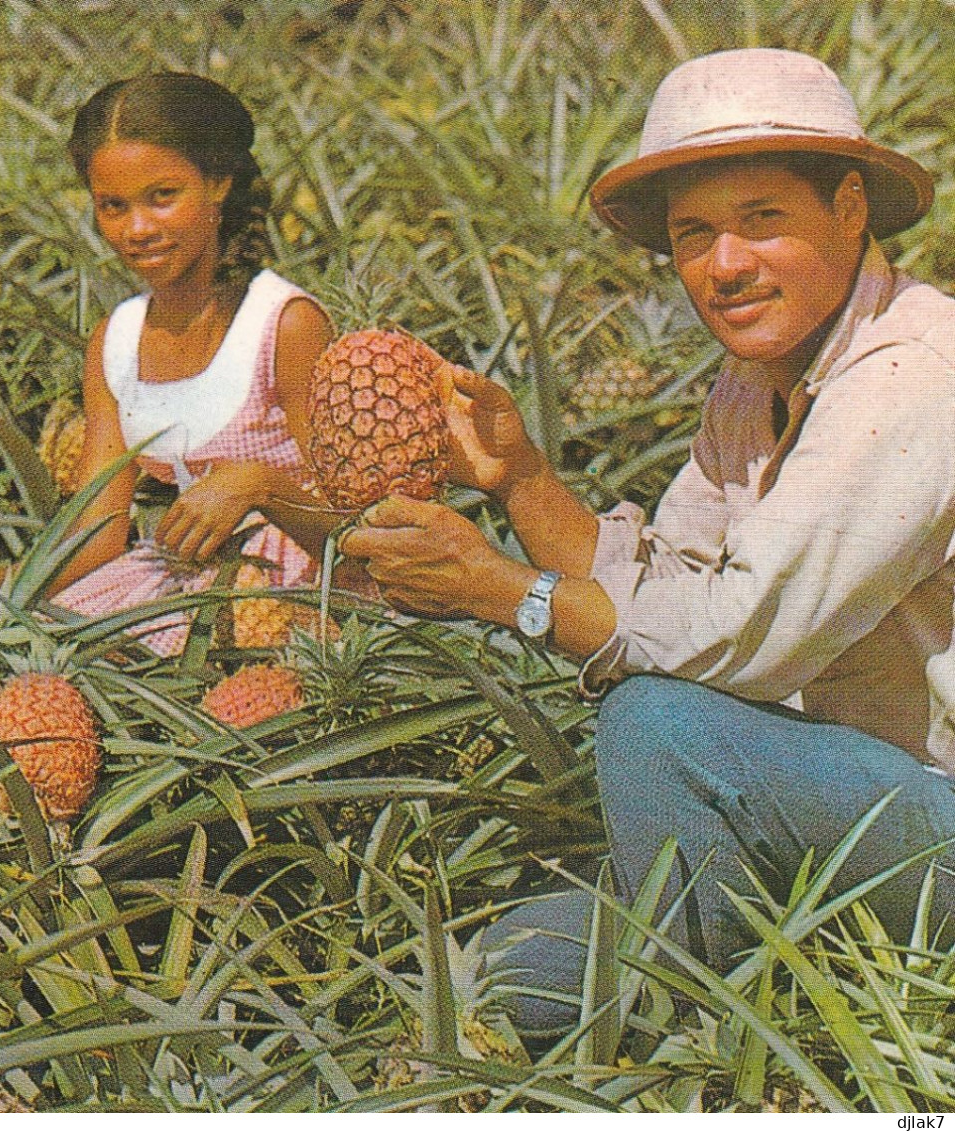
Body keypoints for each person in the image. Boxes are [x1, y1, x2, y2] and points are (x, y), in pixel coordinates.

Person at [340, 47, 955, 1040]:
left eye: (762, 220)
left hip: (932, 813)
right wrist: (523, 480)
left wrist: (503, 592)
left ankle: (725, 1040)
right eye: (694, 234)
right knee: (499, 969)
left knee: (653, 724)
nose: (723, 265)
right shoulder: (758, 381)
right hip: (840, 798)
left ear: (849, 208)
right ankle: (759, 975)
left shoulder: (912, 379)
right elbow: (670, 578)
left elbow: (732, 643)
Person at [45, 73, 337, 657]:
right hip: (179, 582)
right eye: (113, 206)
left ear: (218, 184)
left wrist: (258, 486)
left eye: (163, 196)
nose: (138, 230)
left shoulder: (284, 324)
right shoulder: (115, 341)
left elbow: (361, 523)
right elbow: (94, 539)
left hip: (303, 600)